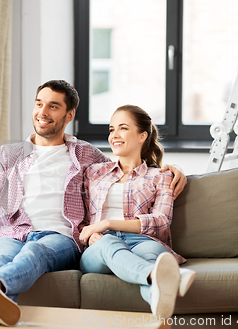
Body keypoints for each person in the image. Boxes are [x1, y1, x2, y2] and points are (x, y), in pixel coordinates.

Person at [0, 81, 188, 326]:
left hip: (60, 238)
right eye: (39, 104)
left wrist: (169, 169)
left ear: (69, 114)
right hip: (10, 234)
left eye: (53, 106)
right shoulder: (6, 155)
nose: (42, 112)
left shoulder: (86, 155)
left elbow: (123, 167)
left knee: (35, 252)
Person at [78, 105, 196, 320]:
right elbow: (80, 219)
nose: (114, 135)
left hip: (142, 240)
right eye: (112, 129)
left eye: (123, 128)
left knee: (150, 255)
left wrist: (107, 223)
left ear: (143, 135)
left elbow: (161, 221)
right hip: (100, 244)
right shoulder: (94, 172)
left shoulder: (160, 176)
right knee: (108, 244)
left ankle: (160, 316)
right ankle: (165, 277)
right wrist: (92, 233)